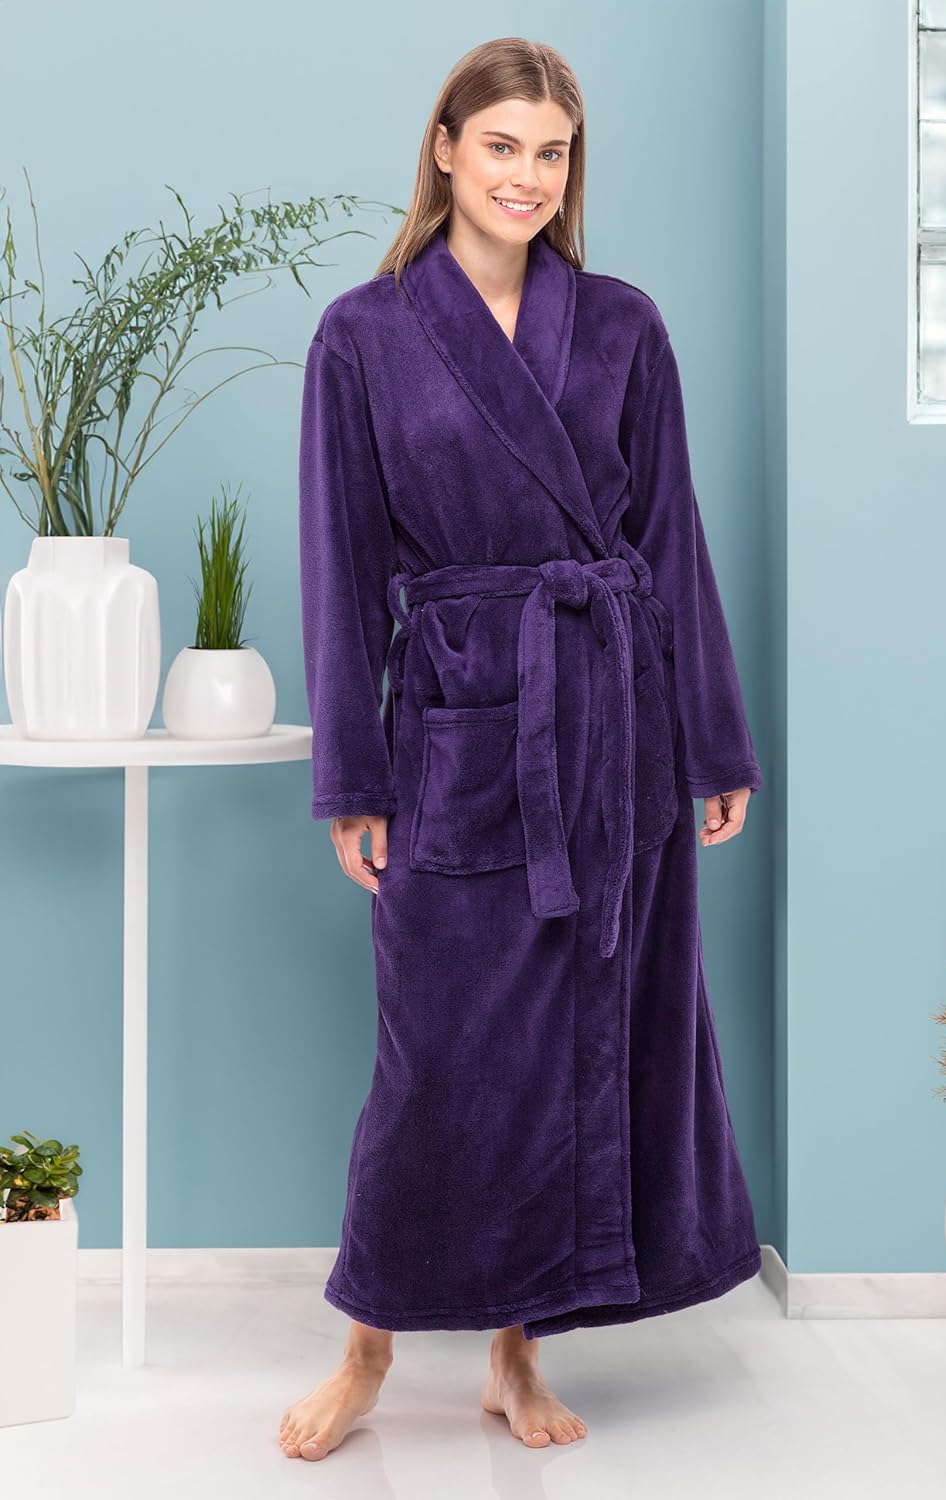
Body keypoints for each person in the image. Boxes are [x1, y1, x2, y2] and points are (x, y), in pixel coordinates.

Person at [282, 35, 764, 1462]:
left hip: (612, 728)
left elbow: (671, 540)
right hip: (458, 730)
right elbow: (340, 565)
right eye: (502, 147)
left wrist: (712, 745)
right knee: (437, 1060)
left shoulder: (621, 325)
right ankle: (366, 1348)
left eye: (551, 153)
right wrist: (354, 777)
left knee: (578, 1046)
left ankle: (516, 1353)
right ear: (445, 149)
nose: (527, 177)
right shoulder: (364, 336)